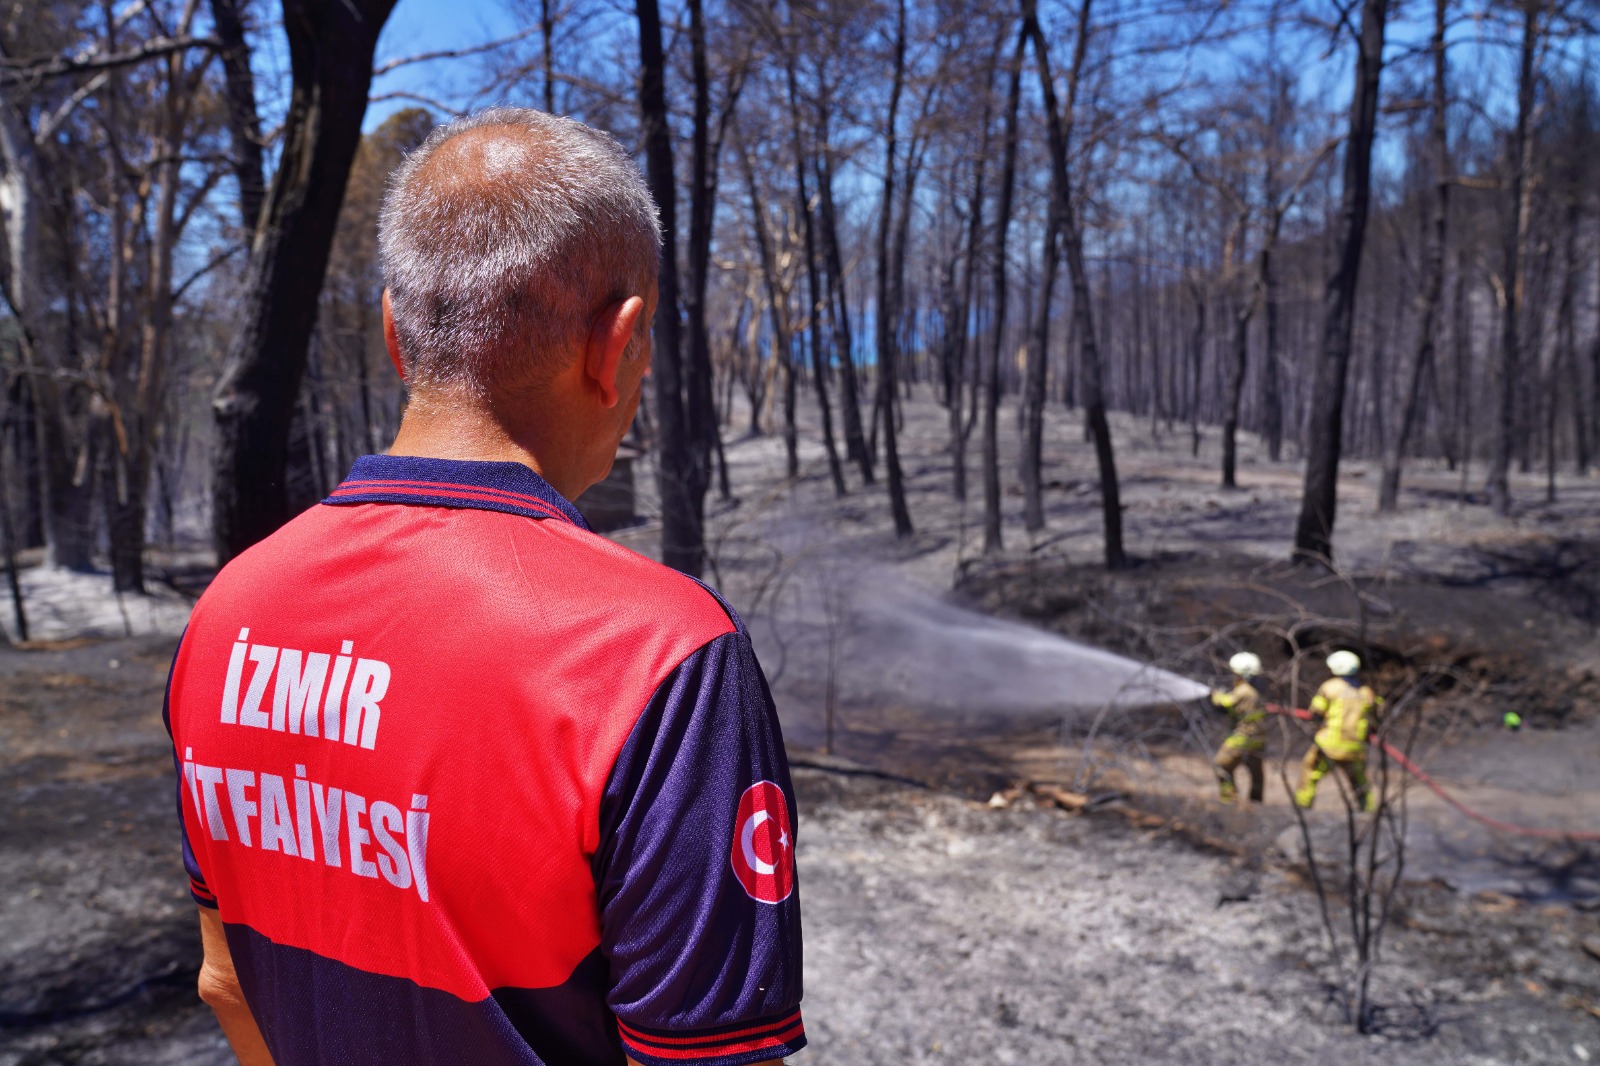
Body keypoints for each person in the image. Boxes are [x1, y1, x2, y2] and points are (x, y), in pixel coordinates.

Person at [165, 108, 805, 1066]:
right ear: (618, 344)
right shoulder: (663, 657)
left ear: (393, 332)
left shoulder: (227, 613)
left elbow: (226, 982)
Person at [1294, 650, 1381, 812]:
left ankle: (1303, 807)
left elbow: (1316, 713)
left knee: (1310, 772)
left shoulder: (1330, 687)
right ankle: (1368, 811)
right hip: (1355, 747)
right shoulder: (1366, 692)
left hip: (1329, 746)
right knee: (1360, 782)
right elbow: (1375, 718)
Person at [1211, 652, 1267, 804]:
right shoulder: (1254, 691)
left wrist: (1216, 694)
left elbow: (1226, 702)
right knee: (1256, 773)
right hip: (1258, 738)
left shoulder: (1243, 690)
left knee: (1221, 765)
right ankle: (1256, 802)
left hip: (1243, 737)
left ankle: (1229, 799)